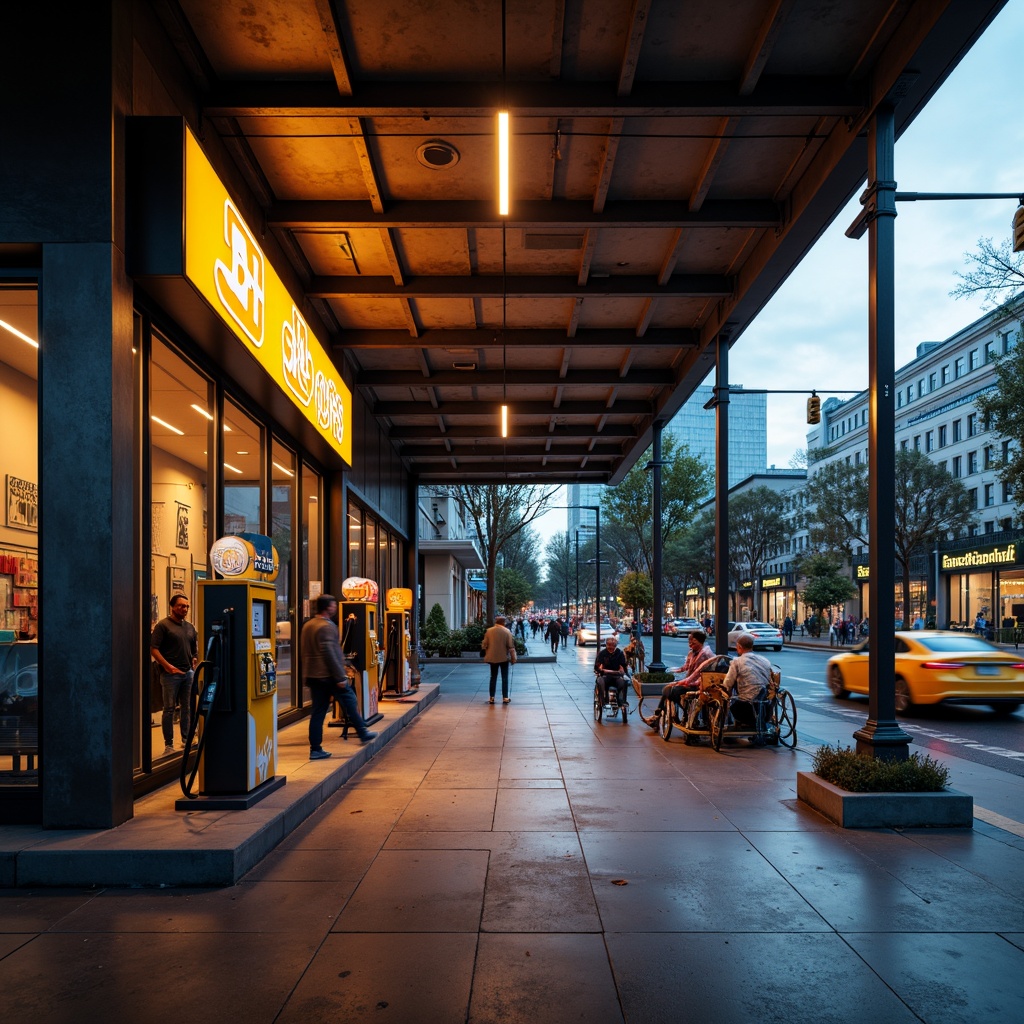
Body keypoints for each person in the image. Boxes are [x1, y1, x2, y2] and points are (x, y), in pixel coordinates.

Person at [301, 593, 378, 759]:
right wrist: (340, 676)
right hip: (329, 676)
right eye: (333, 605)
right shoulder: (326, 626)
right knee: (350, 699)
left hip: (314, 675)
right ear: (328, 607)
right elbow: (330, 653)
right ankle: (362, 731)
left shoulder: (308, 625)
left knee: (318, 712)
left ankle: (315, 748)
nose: (335, 607)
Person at [151, 594, 199, 757]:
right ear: (172, 607)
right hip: (170, 675)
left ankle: (186, 739)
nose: (184, 609)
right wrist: (168, 667)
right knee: (169, 709)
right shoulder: (163, 626)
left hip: (187, 674)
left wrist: (194, 660)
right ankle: (168, 745)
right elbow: (154, 649)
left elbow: (194, 649)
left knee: (187, 707)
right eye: (181, 606)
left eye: (186, 606)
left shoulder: (190, 627)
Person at [647, 629, 715, 728]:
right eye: (689, 641)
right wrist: (675, 670)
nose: (690, 643)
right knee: (668, 689)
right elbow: (686, 667)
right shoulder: (692, 653)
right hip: (691, 681)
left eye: (693, 641)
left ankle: (678, 714)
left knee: (670, 690)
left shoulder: (705, 654)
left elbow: (696, 675)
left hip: (698, 685)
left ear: (701, 642)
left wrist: (680, 683)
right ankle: (659, 715)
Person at [723, 633, 773, 726]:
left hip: (745, 707)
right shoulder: (764, 660)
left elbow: (728, 683)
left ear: (739, 647)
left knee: (731, 700)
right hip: (764, 704)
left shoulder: (737, 662)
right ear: (752, 646)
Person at [482, 614, 517, 704]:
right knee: (504, 677)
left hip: (492, 657)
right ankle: (505, 697)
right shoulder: (506, 631)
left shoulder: (489, 631)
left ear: (496, 622)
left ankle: (492, 697)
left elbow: (484, 644)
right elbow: (510, 646)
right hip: (503, 658)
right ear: (503, 623)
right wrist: (513, 658)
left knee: (493, 677)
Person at [594, 635, 629, 708]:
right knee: (600, 681)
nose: (610, 647)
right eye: (609, 645)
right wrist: (601, 670)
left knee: (624, 682)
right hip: (605, 676)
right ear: (606, 645)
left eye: (612, 646)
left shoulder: (619, 653)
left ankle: (621, 700)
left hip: (616, 676)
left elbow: (623, 665)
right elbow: (596, 667)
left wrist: (624, 672)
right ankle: (603, 700)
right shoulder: (602, 653)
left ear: (615, 646)